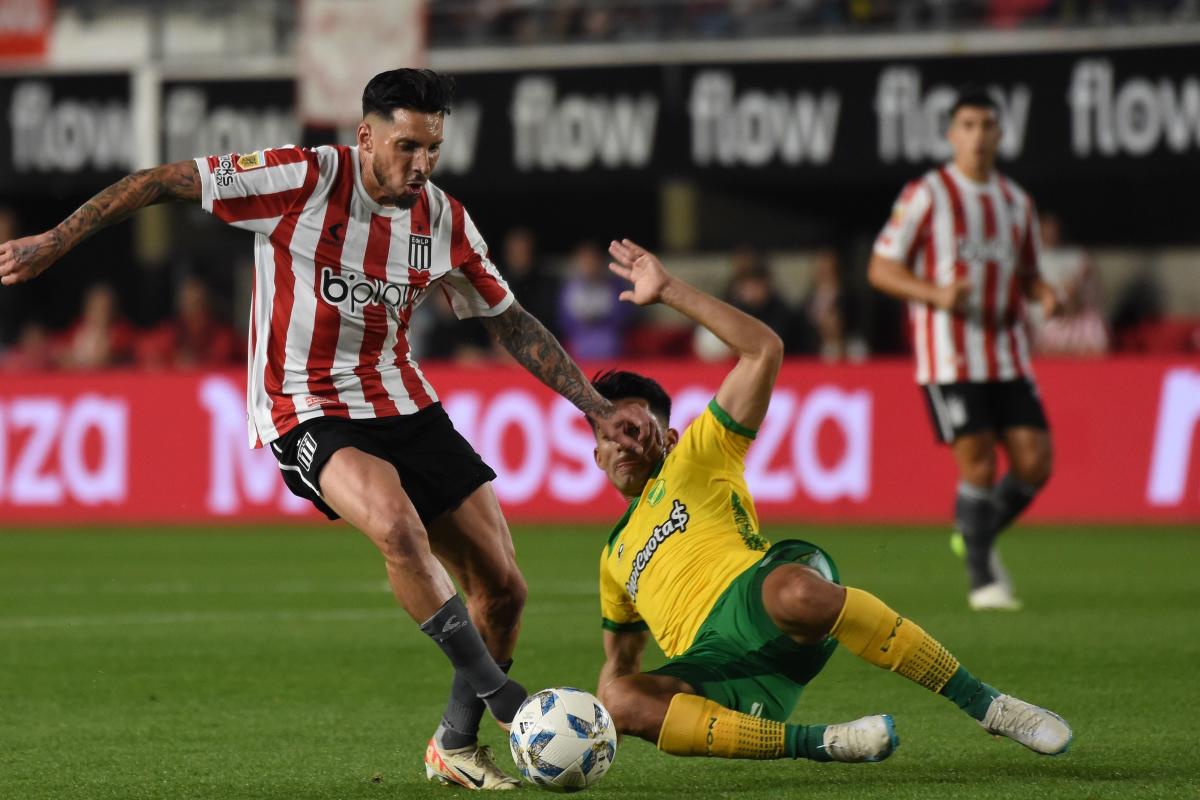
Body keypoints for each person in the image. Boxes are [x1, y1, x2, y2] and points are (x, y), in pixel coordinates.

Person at [0, 68, 657, 791]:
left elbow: (508, 318)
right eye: (407, 146)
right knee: (397, 530)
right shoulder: (297, 179)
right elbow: (162, 180)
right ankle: (507, 704)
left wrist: (594, 407)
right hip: (304, 404)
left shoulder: (442, 220)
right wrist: (54, 241)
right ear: (366, 136)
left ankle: (455, 745)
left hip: (404, 401)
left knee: (504, 589)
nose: (421, 165)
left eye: (433, 148)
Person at [590, 238, 1072, 766]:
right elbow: (620, 661)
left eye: (636, 425)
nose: (625, 441)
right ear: (595, 455)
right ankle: (827, 742)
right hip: (717, 670)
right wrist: (584, 733)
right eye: (611, 434)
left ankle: (992, 707)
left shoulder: (700, 455)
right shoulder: (614, 558)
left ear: (672, 436)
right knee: (619, 700)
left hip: (762, 599)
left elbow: (762, 350)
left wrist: (671, 291)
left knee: (797, 593)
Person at [867, 87, 1059, 611]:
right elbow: (881, 267)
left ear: (999, 134)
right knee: (977, 465)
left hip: (1007, 354)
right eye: (967, 125)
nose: (977, 135)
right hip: (949, 357)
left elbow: (1028, 271)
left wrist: (1043, 292)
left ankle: (973, 531)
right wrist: (934, 294)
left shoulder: (1016, 203)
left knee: (1036, 463)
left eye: (986, 125)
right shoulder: (927, 194)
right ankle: (982, 580)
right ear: (952, 135)